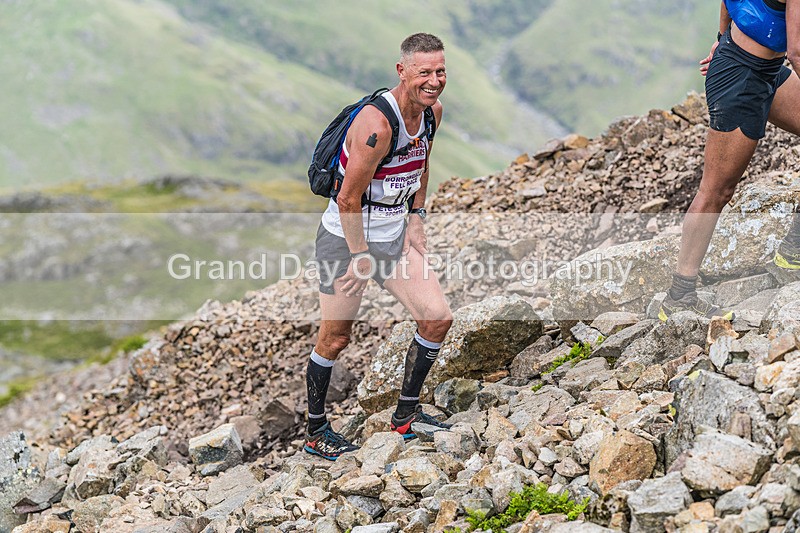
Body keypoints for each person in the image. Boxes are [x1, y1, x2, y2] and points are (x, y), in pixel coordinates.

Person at [303, 33, 454, 460]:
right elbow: (348, 199)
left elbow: (422, 163)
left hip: (393, 236)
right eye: (424, 72)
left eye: (440, 71)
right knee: (335, 339)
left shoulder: (431, 113)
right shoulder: (377, 125)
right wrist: (362, 258)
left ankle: (405, 418)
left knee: (437, 319)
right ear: (401, 70)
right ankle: (316, 433)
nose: (434, 80)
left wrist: (416, 217)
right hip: (346, 239)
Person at [660, 0, 800, 321]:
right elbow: (797, 53)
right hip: (741, 78)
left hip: (763, 69)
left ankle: (793, 251)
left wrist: (721, 37)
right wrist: (724, 45)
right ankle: (679, 294)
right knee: (716, 191)